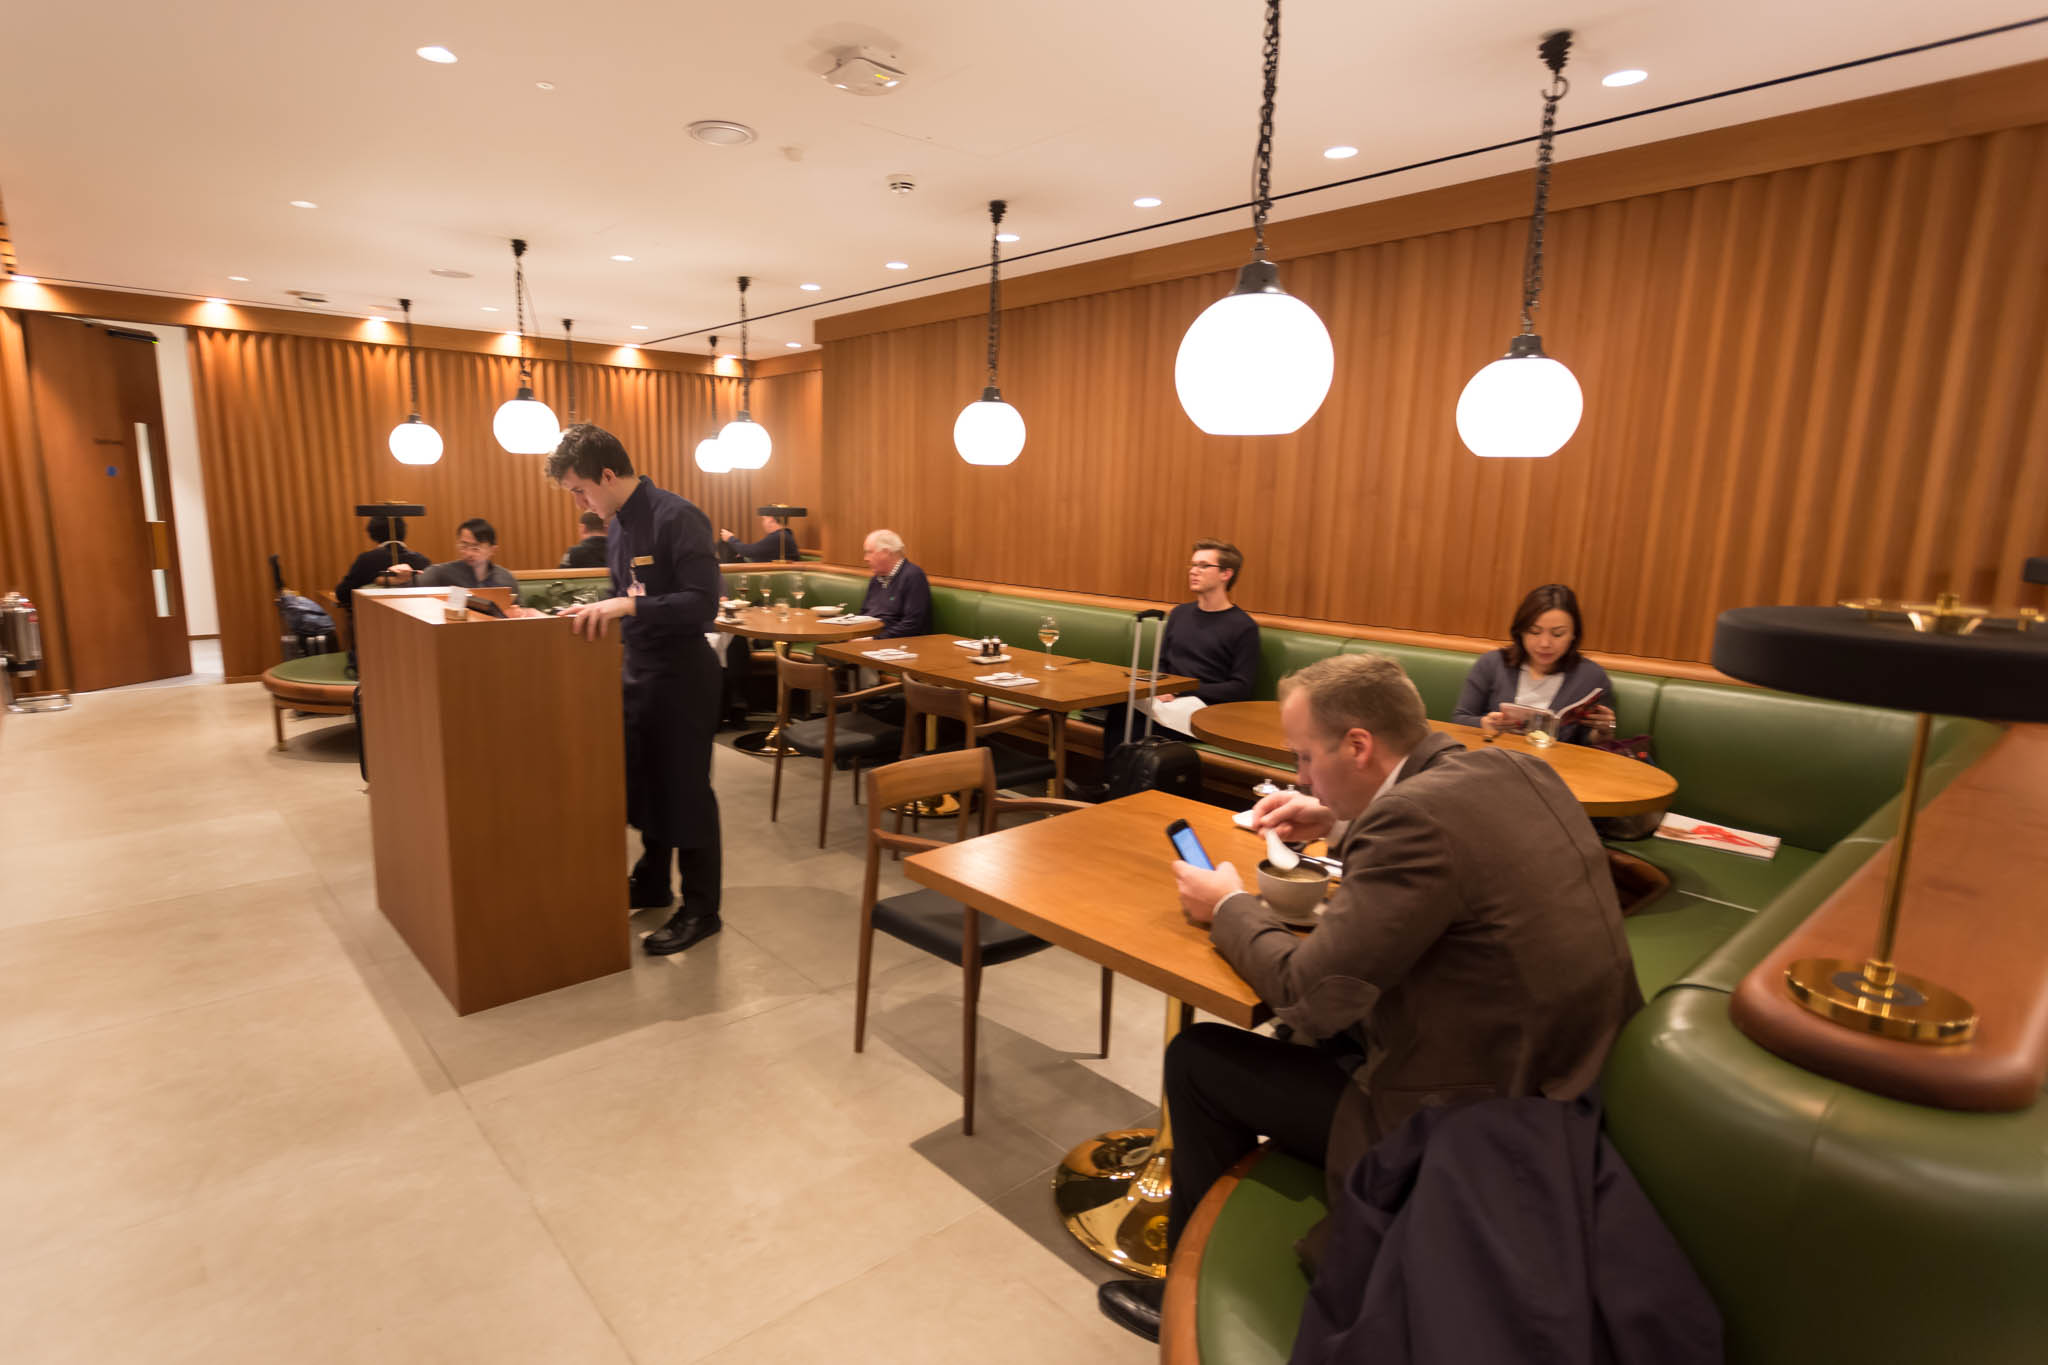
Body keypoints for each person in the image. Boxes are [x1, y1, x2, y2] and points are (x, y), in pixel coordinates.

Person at [1095, 653, 1642, 1342]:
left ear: (1358, 744)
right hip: (1584, 1075)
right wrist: (1333, 810)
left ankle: (1183, 1289)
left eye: (1303, 757)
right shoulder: (1516, 766)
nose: (1297, 776)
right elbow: (1439, 839)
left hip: (1484, 1118)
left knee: (1201, 1058)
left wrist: (1230, 904)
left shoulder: (1412, 822)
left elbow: (1310, 993)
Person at [547, 423, 726, 956]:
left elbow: (702, 605)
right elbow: (624, 589)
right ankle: (652, 881)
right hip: (637, 669)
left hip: (683, 676)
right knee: (645, 783)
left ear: (607, 474)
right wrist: (596, 608)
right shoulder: (618, 524)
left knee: (685, 790)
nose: (580, 501)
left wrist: (625, 606)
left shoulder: (679, 516)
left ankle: (701, 907)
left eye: (581, 489)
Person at [1097, 539, 1261, 750]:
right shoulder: (1180, 614)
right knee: (1121, 709)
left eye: (1203, 566)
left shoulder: (1243, 627)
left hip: (1205, 709)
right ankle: (1112, 782)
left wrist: (1179, 692)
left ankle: (1131, 782)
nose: (1194, 571)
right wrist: (1160, 689)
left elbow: (1240, 687)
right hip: (1166, 700)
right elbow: (1163, 662)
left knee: (1141, 729)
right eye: (1192, 565)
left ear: (1225, 574)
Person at [1451, 583, 1618, 744]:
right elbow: (1459, 718)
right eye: (1534, 632)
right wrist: (1484, 723)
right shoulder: (1492, 664)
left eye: (1558, 634)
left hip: (1554, 768)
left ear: (1574, 634)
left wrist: (1603, 731)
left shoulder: (1591, 677)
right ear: (1521, 631)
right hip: (1492, 757)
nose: (1545, 643)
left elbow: (1587, 743)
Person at [334, 514, 429, 611]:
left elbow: (343, 594)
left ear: (373, 533)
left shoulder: (366, 560)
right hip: (415, 619)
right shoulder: (422, 560)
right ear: (403, 531)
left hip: (372, 619)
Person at [412, 518, 521, 592]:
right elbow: (411, 589)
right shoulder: (440, 573)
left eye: (475, 548)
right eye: (464, 546)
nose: (468, 553)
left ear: (492, 550)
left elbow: (519, 611)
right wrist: (400, 581)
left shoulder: (505, 579)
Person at [858, 529, 932, 638]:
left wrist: (874, 639)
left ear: (886, 553)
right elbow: (864, 613)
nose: (866, 558)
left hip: (899, 643)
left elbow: (913, 624)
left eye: (869, 552)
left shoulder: (913, 576)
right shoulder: (876, 578)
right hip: (870, 637)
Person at [719, 514, 798, 563]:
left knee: (725, 546)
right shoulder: (783, 535)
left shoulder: (779, 537)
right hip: (767, 571)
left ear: (771, 520)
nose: (763, 522)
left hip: (769, 576)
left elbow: (748, 551)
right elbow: (757, 551)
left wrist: (730, 538)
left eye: (764, 519)